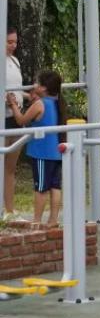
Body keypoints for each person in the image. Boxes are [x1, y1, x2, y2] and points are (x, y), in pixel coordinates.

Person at [7, 70, 66, 226]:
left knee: (40, 188)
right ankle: (53, 220)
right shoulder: (56, 102)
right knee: (55, 186)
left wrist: (13, 104)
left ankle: (37, 221)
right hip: (55, 152)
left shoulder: (40, 104)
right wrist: (28, 96)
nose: (34, 85)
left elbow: (21, 120)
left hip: (42, 152)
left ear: (44, 88)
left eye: (37, 83)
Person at [3, 27, 24, 218]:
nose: (13, 46)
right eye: (9, 42)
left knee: (10, 168)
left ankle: (9, 210)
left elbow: (17, 89)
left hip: (16, 118)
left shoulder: (15, 61)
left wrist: (30, 93)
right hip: (3, 119)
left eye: (15, 42)